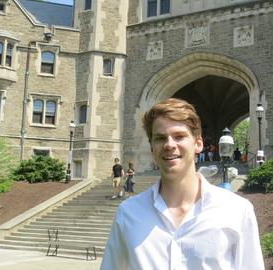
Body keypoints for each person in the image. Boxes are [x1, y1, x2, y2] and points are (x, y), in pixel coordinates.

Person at [101, 98, 264, 269]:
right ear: (152, 148)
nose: (169, 144)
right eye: (160, 138)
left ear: (198, 144)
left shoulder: (236, 210)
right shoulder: (128, 213)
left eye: (179, 136)